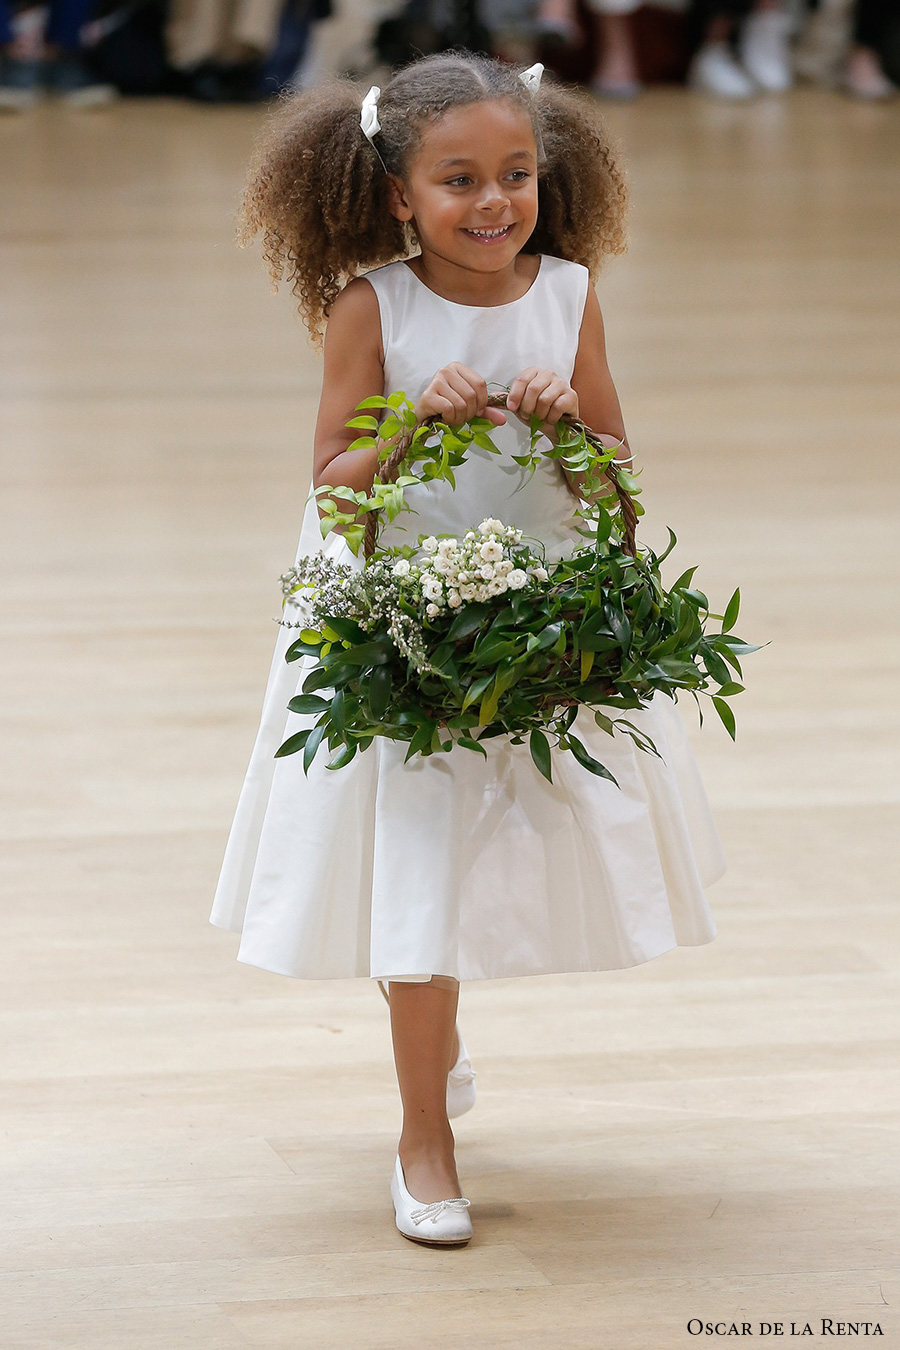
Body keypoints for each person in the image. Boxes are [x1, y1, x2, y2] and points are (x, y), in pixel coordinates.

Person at [211, 52, 725, 1249]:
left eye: (516, 174)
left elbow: (620, 492)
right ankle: (422, 1133)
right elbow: (337, 494)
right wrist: (408, 423)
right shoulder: (368, 308)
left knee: (502, 842)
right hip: (405, 619)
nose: (494, 203)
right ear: (400, 194)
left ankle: (434, 1056)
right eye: (459, 180)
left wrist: (569, 436)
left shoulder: (570, 294)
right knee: (420, 867)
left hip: (530, 615)